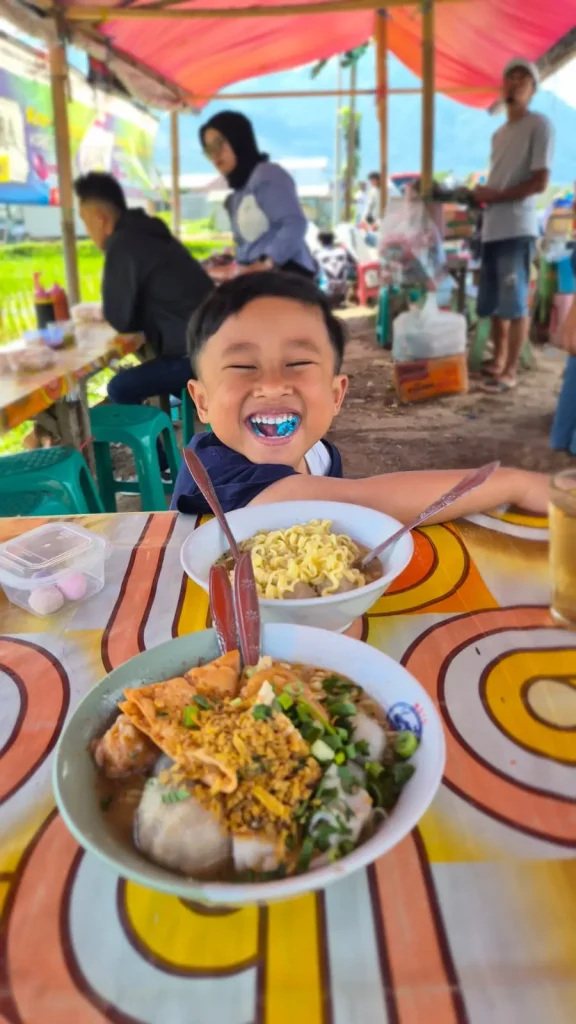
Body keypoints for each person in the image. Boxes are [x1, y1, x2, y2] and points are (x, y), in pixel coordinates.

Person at [171, 272, 548, 518]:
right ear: (201, 401)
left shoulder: (318, 455)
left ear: (336, 395)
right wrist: (517, 483)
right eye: (243, 367)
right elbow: (358, 502)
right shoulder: (217, 477)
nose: (272, 385)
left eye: (297, 362)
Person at [74, 172, 213, 416]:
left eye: (86, 222)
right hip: (214, 343)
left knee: (119, 388)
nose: (88, 231)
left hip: (191, 357)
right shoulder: (150, 232)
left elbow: (120, 319)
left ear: (102, 219)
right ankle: (168, 438)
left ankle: (156, 453)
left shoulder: (122, 244)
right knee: (150, 373)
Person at [473, 58, 554, 394]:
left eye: (524, 79)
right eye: (511, 77)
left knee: (515, 302)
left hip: (518, 227)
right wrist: (484, 195)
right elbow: (502, 180)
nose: (516, 83)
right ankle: (497, 360)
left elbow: (540, 182)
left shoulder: (540, 124)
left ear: (533, 90)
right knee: (493, 303)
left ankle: (509, 371)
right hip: (492, 228)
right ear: (502, 86)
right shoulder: (499, 134)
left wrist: (497, 194)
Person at [199, 111, 315, 277]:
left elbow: (294, 223)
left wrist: (267, 263)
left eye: (219, 144)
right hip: (258, 278)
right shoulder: (237, 194)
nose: (215, 155)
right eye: (209, 149)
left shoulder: (267, 174)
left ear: (238, 139)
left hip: (285, 277)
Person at [314, 231, 350, 308]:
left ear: (320, 241)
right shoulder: (343, 252)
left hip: (326, 293)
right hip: (342, 291)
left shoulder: (317, 254)